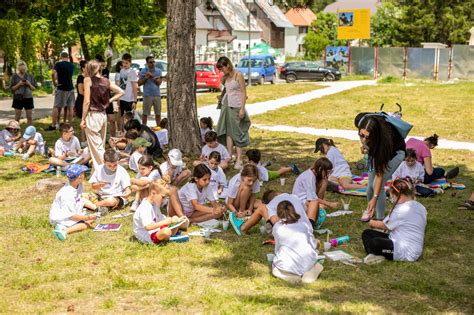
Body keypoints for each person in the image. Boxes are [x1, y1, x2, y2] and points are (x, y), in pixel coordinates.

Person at [362, 178, 427, 264]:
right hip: (400, 240)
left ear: (399, 195)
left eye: (392, 196)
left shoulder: (401, 210)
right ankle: (377, 254)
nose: (392, 199)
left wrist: (368, 219)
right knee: (367, 233)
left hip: (407, 251)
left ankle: (376, 254)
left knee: (375, 242)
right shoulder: (420, 207)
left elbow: (382, 225)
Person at [355, 113, 406, 220]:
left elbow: (379, 174)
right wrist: (365, 147)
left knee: (377, 185)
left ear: (374, 135)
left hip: (395, 154)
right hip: (376, 150)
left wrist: (375, 197)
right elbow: (365, 140)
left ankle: (380, 219)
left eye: (367, 137)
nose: (363, 139)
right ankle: (370, 210)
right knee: (370, 186)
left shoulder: (383, 143)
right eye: (361, 135)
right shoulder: (365, 124)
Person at [80, 60, 124, 169]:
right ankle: (97, 171)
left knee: (97, 147)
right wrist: (109, 100)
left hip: (92, 115)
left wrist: (83, 118)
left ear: (89, 69)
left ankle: (108, 168)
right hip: (103, 116)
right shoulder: (106, 81)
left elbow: (86, 101)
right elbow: (121, 92)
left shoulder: (87, 80)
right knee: (99, 146)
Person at [271, 200, 323, 284]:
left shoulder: (277, 228)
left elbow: (278, 246)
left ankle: (290, 276)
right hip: (307, 262)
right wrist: (317, 243)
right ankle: (310, 273)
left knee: (275, 269)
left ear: (279, 214)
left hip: (286, 265)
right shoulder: (304, 225)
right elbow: (313, 244)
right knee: (314, 264)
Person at [215, 56, 251, 170]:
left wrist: (242, 108)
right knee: (228, 132)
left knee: (237, 132)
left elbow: (244, 93)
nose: (222, 71)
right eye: (220, 69)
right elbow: (226, 90)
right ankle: (229, 156)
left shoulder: (238, 75)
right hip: (226, 106)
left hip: (236, 106)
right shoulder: (226, 77)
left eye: (222, 68)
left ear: (228, 65)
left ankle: (239, 159)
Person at [49, 164, 98, 241]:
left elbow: (80, 199)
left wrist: (95, 208)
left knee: (92, 219)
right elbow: (71, 215)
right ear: (79, 177)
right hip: (61, 217)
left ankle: (63, 227)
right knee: (85, 224)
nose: (83, 175)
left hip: (72, 213)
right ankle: (64, 230)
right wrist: (86, 218)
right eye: (82, 173)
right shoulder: (67, 194)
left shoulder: (79, 185)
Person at [133, 180, 190, 244]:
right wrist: (165, 222)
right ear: (153, 193)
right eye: (163, 197)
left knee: (176, 219)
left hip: (155, 229)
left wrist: (173, 220)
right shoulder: (145, 207)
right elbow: (148, 227)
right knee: (166, 231)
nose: (164, 200)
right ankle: (171, 237)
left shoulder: (154, 204)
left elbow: (160, 218)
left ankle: (174, 234)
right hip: (147, 235)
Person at [48, 52, 75, 130]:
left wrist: (54, 83)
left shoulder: (58, 64)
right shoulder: (72, 65)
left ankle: (53, 125)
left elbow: (53, 74)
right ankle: (69, 125)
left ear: (61, 57)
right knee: (70, 107)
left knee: (56, 106)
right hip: (70, 87)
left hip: (61, 87)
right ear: (68, 57)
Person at [9, 60, 37, 125]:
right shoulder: (14, 76)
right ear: (18, 69)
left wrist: (29, 84)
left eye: (24, 70)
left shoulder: (30, 76)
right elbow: (12, 89)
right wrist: (19, 84)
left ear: (26, 68)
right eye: (21, 70)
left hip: (28, 97)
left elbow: (34, 88)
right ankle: (15, 131)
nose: (23, 71)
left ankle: (30, 132)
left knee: (29, 116)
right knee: (17, 116)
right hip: (18, 97)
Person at [138, 56, 162, 126]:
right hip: (147, 95)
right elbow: (139, 83)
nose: (153, 64)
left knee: (158, 114)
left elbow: (159, 83)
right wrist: (145, 78)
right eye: (150, 62)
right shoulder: (143, 71)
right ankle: (144, 128)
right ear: (147, 63)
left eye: (154, 62)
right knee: (145, 114)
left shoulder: (158, 71)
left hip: (157, 95)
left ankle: (159, 129)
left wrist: (151, 76)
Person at [118, 53, 138, 132]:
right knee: (122, 117)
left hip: (130, 99)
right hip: (122, 98)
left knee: (129, 118)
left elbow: (134, 87)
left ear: (130, 63)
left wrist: (135, 100)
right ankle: (123, 133)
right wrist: (119, 98)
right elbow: (121, 85)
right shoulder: (122, 71)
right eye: (123, 62)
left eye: (126, 63)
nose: (124, 64)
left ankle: (130, 134)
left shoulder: (132, 72)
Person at [74, 60, 88, 144]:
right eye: (87, 67)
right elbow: (81, 91)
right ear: (83, 68)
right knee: (83, 122)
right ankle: (83, 141)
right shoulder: (80, 78)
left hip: (87, 101)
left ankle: (86, 140)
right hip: (81, 102)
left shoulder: (89, 78)